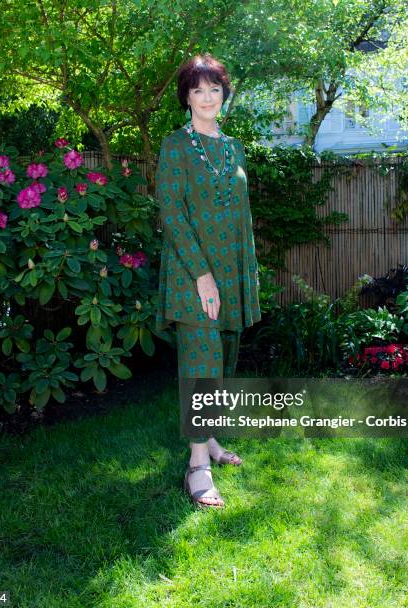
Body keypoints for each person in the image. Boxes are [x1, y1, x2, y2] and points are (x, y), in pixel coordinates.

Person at [154, 53, 261, 509]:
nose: (206, 97)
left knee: (224, 359)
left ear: (224, 94)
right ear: (186, 97)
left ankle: (210, 438)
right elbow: (172, 213)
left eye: (214, 89)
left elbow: (242, 215)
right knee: (201, 363)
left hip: (232, 269)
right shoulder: (176, 146)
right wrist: (203, 276)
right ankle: (197, 463)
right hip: (192, 272)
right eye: (197, 90)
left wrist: (245, 274)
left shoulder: (234, 147)